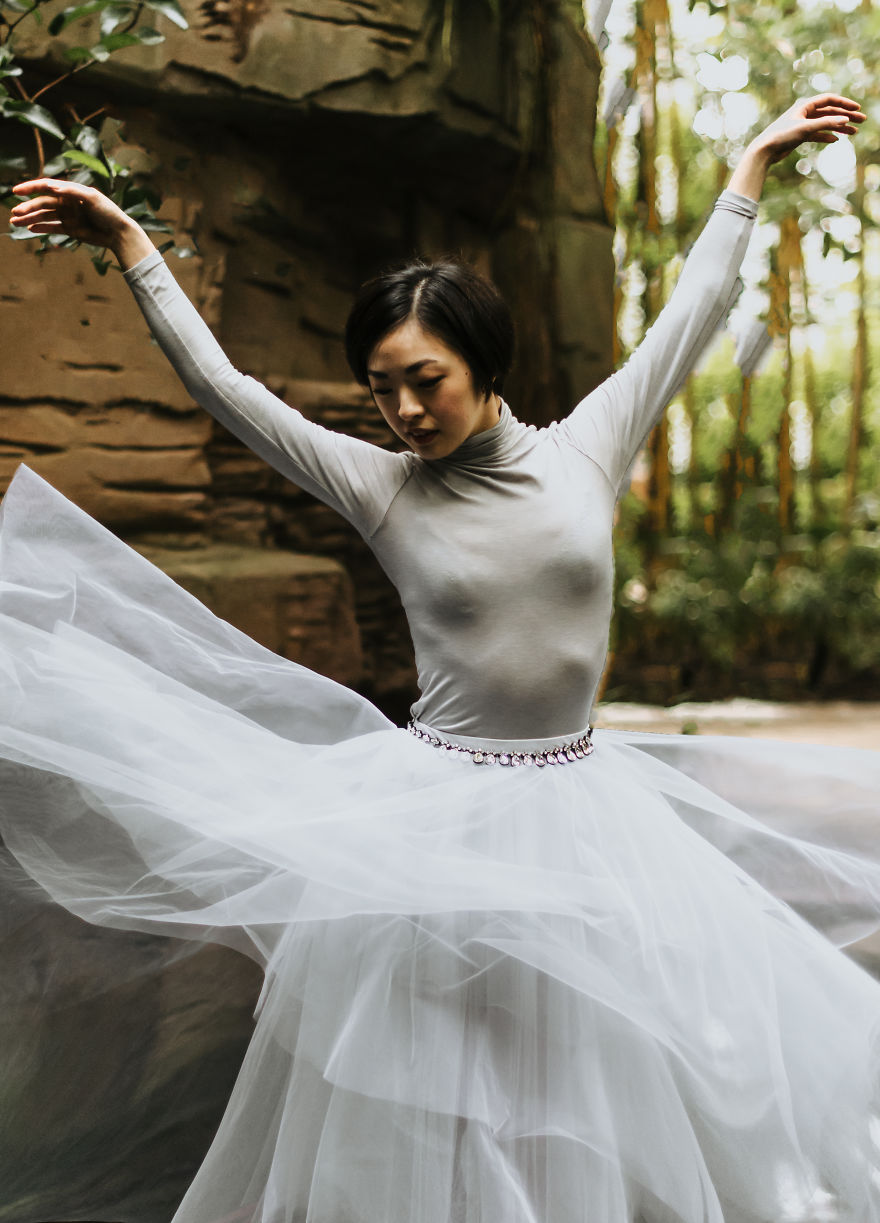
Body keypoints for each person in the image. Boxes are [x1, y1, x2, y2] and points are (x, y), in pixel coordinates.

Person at [3, 94, 880, 1223]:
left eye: (426, 378)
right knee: (442, 1087)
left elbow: (695, 311)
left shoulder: (586, 450)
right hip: (437, 818)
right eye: (381, 386)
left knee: (585, 1066)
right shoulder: (381, 488)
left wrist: (750, 165)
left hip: (584, 811)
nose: (405, 408)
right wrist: (132, 246)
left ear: (480, 362)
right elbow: (228, 393)